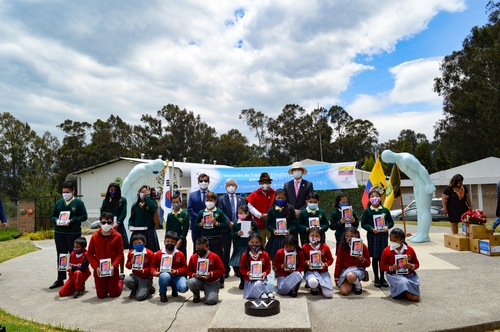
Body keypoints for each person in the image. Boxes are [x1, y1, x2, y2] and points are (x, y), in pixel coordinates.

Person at [381, 150, 436, 242]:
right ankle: (420, 233)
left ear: (390, 155)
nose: (389, 163)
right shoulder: (398, 161)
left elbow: (421, 169)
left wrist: (429, 183)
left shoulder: (406, 158)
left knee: (424, 210)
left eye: (388, 161)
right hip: (417, 185)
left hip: (423, 184)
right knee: (419, 211)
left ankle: (424, 235)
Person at [49, 183, 88, 289]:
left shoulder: (78, 203)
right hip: (60, 233)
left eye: (67, 192)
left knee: (75, 255)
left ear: (72, 192)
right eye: (64, 192)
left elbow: (84, 216)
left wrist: (72, 220)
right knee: (61, 255)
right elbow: (52, 215)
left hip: (73, 233)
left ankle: (77, 278)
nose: (65, 194)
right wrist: (56, 220)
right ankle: (60, 279)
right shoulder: (59, 203)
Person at [361, 187, 394, 288]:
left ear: (380, 198)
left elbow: (391, 222)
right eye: (372, 196)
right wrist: (371, 228)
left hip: (383, 235)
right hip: (373, 236)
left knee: (383, 257)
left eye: (376, 196)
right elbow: (363, 224)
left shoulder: (385, 210)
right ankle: (376, 278)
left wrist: (387, 227)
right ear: (369, 199)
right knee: (375, 257)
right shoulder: (367, 211)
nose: (375, 198)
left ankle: (383, 278)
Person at [87, 212, 124, 299]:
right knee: (101, 295)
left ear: (112, 223)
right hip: (99, 270)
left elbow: (120, 253)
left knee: (113, 294)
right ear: (100, 223)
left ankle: (120, 281)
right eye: (103, 222)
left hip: (112, 270)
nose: (106, 224)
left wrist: (114, 266)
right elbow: (90, 254)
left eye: (108, 222)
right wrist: (96, 267)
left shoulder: (118, 236)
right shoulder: (94, 236)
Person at [195, 192, 228, 288]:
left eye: (211, 200)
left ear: (215, 201)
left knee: (218, 259)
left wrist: (217, 223)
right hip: (205, 241)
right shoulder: (201, 213)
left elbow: (225, 225)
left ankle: (221, 279)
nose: (209, 202)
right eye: (207, 200)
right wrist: (200, 224)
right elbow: (195, 226)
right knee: (204, 259)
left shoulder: (219, 212)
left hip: (216, 239)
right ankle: (203, 276)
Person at [380, 228, 421, 301]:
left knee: (415, 297)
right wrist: (392, 268)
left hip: (409, 276)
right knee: (403, 282)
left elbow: (417, 264)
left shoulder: (410, 250)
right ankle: (400, 290)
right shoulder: (386, 251)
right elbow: (382, 266)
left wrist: (411, 266)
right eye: (391, 240)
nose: (392, 242)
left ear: (402, 241)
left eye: (395, 241)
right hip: (394, 276)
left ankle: (402, 290)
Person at [217, 178, 246, 278]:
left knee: (238, 249)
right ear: (225, 187)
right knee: (226, 249)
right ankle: (225, 269)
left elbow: (244, 213)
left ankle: (237, 269)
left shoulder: (241, 199)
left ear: (236, 187)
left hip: (239, 229)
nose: (231, 187)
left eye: (233, 185)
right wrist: (229, 222)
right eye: (229, 185)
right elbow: (221, 213)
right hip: (226, 229)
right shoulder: (221, 200)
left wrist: (237, 224)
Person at [187, 236, 225, 305]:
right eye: (198, 248)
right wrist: (194, 275)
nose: (199, 250)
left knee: (211, 301)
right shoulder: (193, 257)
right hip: (199, 281)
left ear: (207, 247)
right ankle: (196, 295)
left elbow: (222, 270)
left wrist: (211, 274)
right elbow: (188, 271)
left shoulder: (214, 256)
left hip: (212, 282)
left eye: (202, 248)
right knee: (191, 281)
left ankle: (211, 294)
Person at [100, 182, 128, 275]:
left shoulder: (122, 200)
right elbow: (102, 212)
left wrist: (118, 223)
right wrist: (103, 223)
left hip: (118, 227)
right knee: (107, 249)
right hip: (106, 227)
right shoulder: (106, 201)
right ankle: (107, 269)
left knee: (120, 250)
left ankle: (122, 272)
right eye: (111, 190)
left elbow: (123, 213)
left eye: (115, 190)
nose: (113, 191)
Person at [152, 231, 188, 302]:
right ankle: (162, 293)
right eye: (168, 241)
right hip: (164, 275)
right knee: (164, 276)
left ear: (176, 243)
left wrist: (177, 271)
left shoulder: (180, 254)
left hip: (177, 275)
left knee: (183, 288)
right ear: (164, 242)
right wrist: (154, 272)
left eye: (172, 242)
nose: (170, 243)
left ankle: (174, 287)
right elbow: (152, 266)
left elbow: (185, 267)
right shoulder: (158, 254)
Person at [334, 227, 370, 296]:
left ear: (356, 235)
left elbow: (368, 264)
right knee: (344, 292)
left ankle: (358, 286)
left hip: (357, 269)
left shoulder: (362, 246)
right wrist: (336, 277)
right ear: (344, 236)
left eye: (351, 236)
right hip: (345, 270)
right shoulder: (342, 246)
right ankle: (352, 283)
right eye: (347, 236)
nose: (349, 238)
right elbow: (339, 262)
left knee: (350, 276)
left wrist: (362, 259)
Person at [230, 205, 259, 289]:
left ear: (247, 213)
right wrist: (237, 234)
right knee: (239, 265)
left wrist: (252, 233)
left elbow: (258, 234)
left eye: (241, 213)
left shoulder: (253, 223)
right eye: (238, 213)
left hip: (250, 247)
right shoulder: (236, 223)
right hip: (239, 247)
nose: (239, 215)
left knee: (249, 264)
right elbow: (231, 234)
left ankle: (249, 280)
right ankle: (242, 280)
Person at [265, 188, 297, 261]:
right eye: (279, 197)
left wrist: (289, 230)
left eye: (282, 198)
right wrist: (273, 230)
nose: (280, 199)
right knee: (275, 259)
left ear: (286, 198)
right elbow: (268, 224)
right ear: (275, 197)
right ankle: (276, 272)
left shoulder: (290, 208)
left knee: (288, 258)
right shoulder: (272, 210)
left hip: (287, 239)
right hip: (275, 239)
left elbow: (295, 223)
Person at [301, 227, 334, 298]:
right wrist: (307, 262)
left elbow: (330, 259)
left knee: (329, 294)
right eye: (312, 235)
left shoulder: (325, 247)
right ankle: (314, 287)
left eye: (317, 236)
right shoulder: (304, 247)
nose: (314, 237)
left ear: (320, 237)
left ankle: (320, 285)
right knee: (313, 282)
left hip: (323, 272)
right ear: (308, 236)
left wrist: (325, 264)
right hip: (310, 272)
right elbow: (301, 260)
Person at [246, 172, 276, 248]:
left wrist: (268, 215)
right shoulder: (254, 194)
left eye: (267, 182)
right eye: (263, 182)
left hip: (272, 226)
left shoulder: (275, 193)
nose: (265, 184)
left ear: (270, 183)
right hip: (259, 225)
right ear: (260, 184)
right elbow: (250, 206)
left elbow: (278, 206)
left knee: (273, 245)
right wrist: (260, 215)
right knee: (259, 245)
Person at [239, 233, 273, 299]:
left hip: (261, 279)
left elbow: (268, 268)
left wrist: (264, 273)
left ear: (260, 243)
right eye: (252, 242)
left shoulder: (265, 255)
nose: (254, 244)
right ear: (248, 243)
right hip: (249, 279)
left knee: (258, 285)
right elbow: (242, 269)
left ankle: (264, 290)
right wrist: (247, 273)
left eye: (257, 242)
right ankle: (266, 290)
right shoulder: (244, 255)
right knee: (248, 298)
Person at [128, 185, 160, 252]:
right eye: (142, 192)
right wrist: (130, 225)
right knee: (136, 252)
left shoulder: (153, 203)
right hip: (137, 232)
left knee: (150, 252)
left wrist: (148, 196)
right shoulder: (135, 206)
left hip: (149, 232)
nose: (143, 194)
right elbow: (131, 218)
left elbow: (152, 207)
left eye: (145, 192)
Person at [124, 233, 155, 301]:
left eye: (139, 242)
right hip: (135, 276)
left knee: (140, 297)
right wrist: (131, 264)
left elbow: (152, 268)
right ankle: (134, 289)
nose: (137, 244)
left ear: (144, 243)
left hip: (146, 278)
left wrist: (143, 270)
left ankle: (149, 287)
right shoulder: (131, 253)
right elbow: (127, 266)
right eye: (135, 243)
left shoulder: (150, 253)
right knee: (126, 281)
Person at [187, 173, 211, 252]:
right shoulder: (192, 195)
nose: (203, 182)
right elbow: (189, 209)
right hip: (196, 226)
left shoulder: (213, 195)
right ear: (198, 182)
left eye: (205, 181)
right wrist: (199, 218)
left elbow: (217, 208)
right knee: (196, 248)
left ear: (208, 182)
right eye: (201, 181)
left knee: (208, 248)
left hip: (209, 227)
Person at [165, 193, 189, 258]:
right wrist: (167, 240)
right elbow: (167, 228)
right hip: (171, 240)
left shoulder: (184, 214)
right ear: (171, 204)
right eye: (174, 202)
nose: (176, 204)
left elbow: (185, 228)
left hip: (181, 240)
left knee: (182, 256)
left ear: (181, 203)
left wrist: (180, 240)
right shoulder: (170, 215)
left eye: (177, 202)